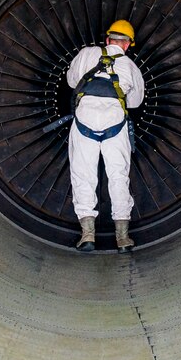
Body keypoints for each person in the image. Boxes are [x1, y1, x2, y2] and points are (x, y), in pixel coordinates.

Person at [66, 19, 145, 253]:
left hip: (84, 121)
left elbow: (72, 81)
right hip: (115, 124)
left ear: (108, 40)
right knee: (118, 175)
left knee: (83, 175)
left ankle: (87, 235)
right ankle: (122, 238)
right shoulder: (131, 67)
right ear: (128, 45)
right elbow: (135, 102)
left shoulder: (87, 53)